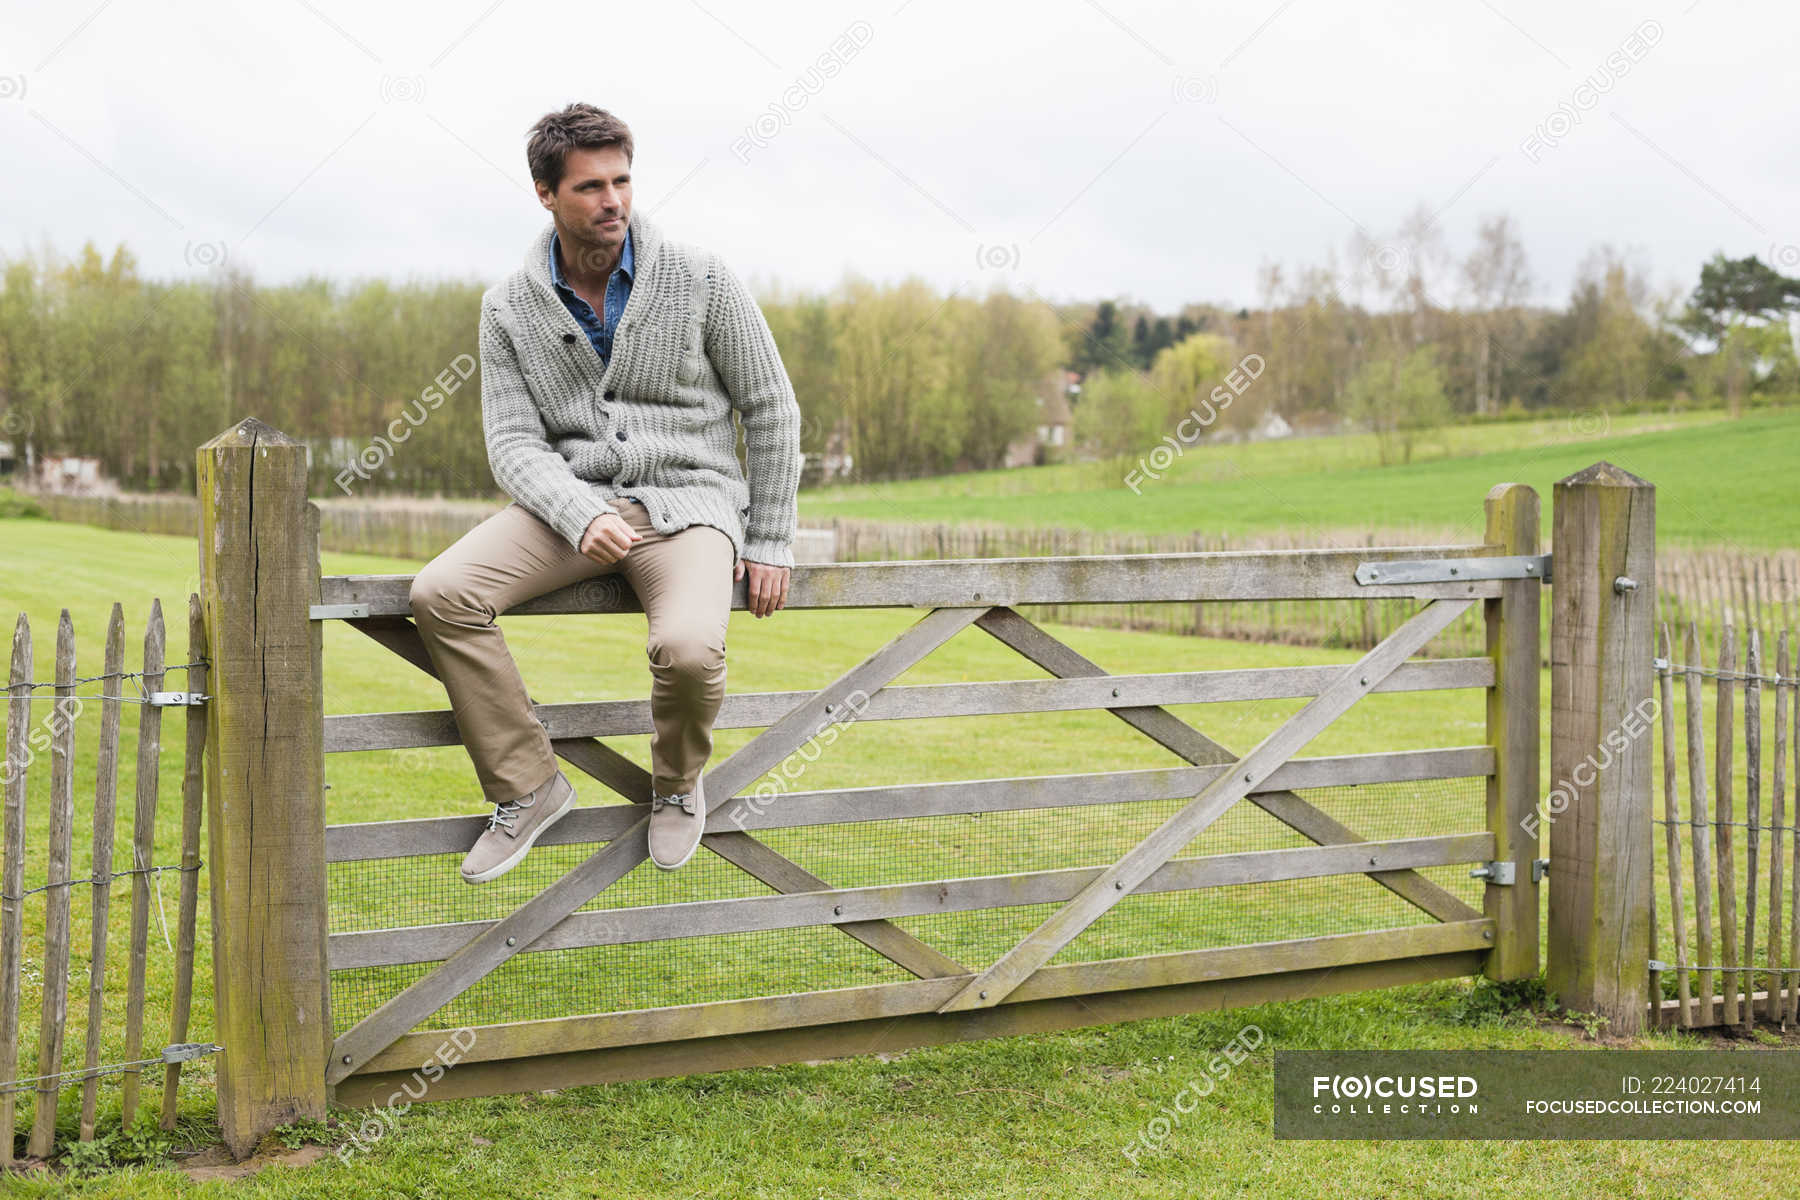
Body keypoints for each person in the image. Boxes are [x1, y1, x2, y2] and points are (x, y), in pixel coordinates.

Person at [408, 102, 801, 882]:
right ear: (546, 194)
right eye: (590, 186)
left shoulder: (701, 277)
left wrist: (771, 538)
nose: (613, 199)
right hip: (571, 509)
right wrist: (579, 511)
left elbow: (771, 409)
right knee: (441, 592)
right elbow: (514, 443)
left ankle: (679, 783)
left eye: (622, 180)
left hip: (692, 509)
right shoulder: (507, 307)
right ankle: (529, 786)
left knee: (688, 649)